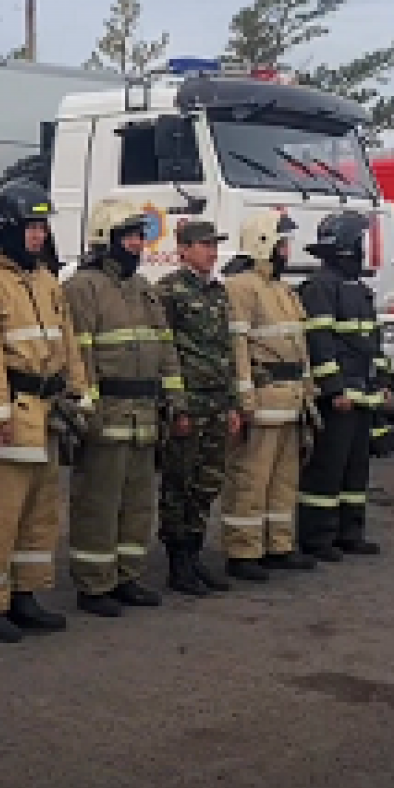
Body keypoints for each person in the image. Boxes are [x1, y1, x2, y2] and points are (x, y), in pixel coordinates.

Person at [0, 180, 90, 642]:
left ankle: (25, 595)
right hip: (7, 415)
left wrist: (79, 395)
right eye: (29, 226)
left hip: (46, 413)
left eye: (42, 227)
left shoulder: (46, 280)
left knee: (39, 514)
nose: (37, 235)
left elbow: (68, 344)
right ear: (5, 228)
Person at [64, 200, 190, 617]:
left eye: (140, 237)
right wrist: (86, 409)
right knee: (98, 503)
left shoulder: (144, 289)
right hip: (108, 413)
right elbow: (77, 354)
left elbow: (165, 347)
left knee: (138, 502)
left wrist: (175, 400)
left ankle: (127, 577)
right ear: (107, 240)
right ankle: (95, 584)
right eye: (130, 237)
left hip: (144, 413)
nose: (138, 245)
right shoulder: (83, 287)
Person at [218, 211, 317, 580]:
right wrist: (245, 400)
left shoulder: (281, 289)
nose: (287, 250)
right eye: (282, 242)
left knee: (283, 479)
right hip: (262, 399)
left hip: (289, 401)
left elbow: (300, 346)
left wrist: (307, 393)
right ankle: (243, 551)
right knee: (250, 478)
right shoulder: (241, 286)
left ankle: (278, 544)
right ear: (263, 242)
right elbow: (237, 345)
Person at [296, 211, 392, 558]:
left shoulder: (357, 288)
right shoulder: (320, 287)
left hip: (363, 394)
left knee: (356, 470)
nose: (364, 249)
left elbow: (371, 343)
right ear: (347, 246)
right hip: (339, 398)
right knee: (327, 469)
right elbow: (319, 342)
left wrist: (381, 383)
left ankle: (349, 532)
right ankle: (318, 538)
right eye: (359, 242)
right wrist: (334, 389)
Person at [156, 220, 240, 595]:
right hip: (188, 402)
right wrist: (176, 407)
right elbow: (164, 350)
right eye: (204, 244)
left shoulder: (218, 292)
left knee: (207, 483)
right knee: (179, 482)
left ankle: (194, 552)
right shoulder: (169, 291)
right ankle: (178, 562)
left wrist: (234, 402)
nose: (212, 251)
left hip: (217, 402)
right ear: (184, 249)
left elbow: (226, 350)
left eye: (214, 244)